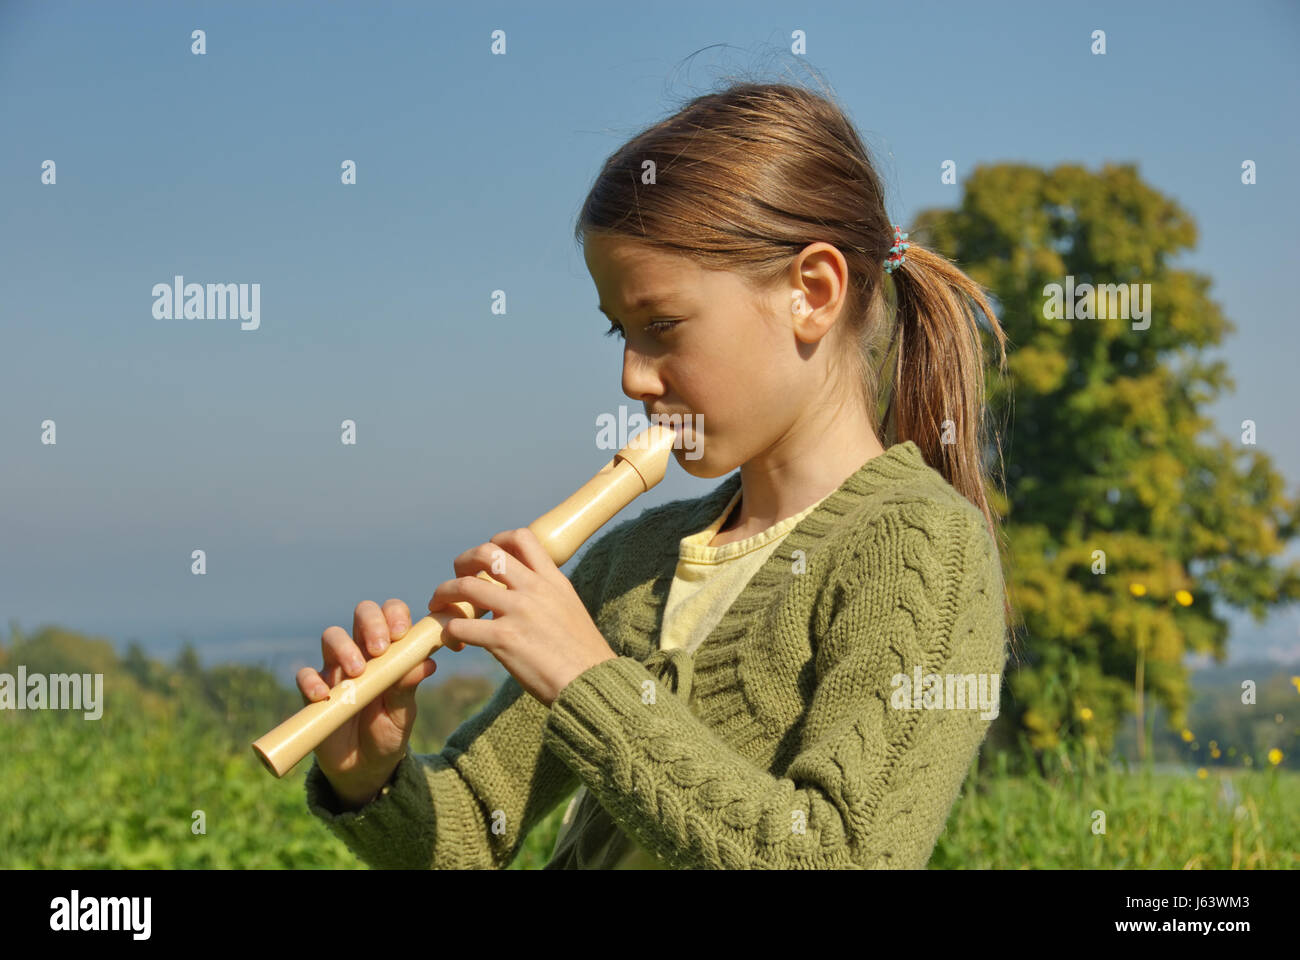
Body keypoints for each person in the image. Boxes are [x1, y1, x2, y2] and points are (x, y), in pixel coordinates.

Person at [298, 80, 1010, 869]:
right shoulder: (636, 561)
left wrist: (585, 678)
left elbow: (841, 856)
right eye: (622, 334)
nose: (634, 378)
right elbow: (472, 829)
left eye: (661, 326)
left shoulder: (919, 544)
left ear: (812, 292)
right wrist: (372, 780)